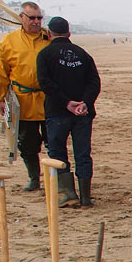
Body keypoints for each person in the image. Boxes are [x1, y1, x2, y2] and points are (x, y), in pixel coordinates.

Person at [36, 16, 100, 209]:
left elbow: (44, 83)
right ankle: (86, 197)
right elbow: (94, 82)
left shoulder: (45, 54)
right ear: (69, 33)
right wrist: (84, 103)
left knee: (57, 151)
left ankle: (69, 194)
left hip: (57, 112)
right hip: (82, 113)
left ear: (49, 34)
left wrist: (66, 103)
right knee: (83, 153)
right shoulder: (83, 54)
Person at [0, 1, 50, 191]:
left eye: (39, 18)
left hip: (48, 100)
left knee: (54, 142)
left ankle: (57, 180)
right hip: (22, 102)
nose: (36, 21)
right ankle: (34, 178)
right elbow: (1, 71)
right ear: (22, 18)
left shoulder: (49, 38)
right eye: (32, 17)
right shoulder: (9, 41)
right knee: (27, 143)